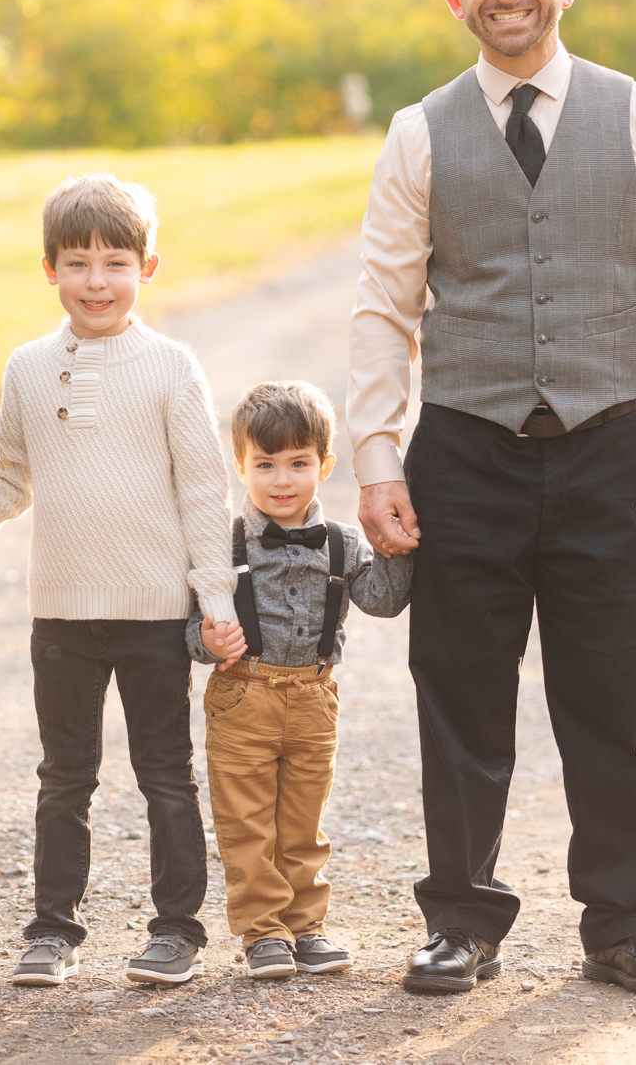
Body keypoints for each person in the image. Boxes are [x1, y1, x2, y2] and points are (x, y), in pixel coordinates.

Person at [347, 0, 636, 998]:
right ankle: (460, 917)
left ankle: (623, 920)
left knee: (607, 694)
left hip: (610, 445)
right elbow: (382, 304)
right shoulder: (419, 129)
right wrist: (374, 454)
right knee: (458, 693)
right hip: (461, 451)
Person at [0, 174, 237, 988]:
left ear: (147, 267)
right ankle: (53, 929)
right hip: (62, 615)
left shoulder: (170, 366)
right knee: (65, 777)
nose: (97, 281)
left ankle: (177, 929)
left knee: (165, 773)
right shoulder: (25, 367)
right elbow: (10, 478)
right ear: (48, 268)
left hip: (156, 612)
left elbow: (203, 489)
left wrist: (216, 598)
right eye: (78, 262)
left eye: (115, 262)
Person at [190, 381, 413, 980]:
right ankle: (264, 932)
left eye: (298, 463)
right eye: (264, 465)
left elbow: (384, 601)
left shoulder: (344, 542)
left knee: (303, 825)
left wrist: (402, 544)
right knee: (246, 824)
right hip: (243, 696)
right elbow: (189, 626)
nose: (281, 480)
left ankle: (307, 927)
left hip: (315, 698)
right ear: (240, 466)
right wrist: (207, 642)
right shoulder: (222, 547)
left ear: (324, 466)